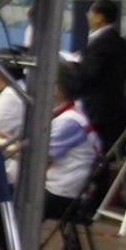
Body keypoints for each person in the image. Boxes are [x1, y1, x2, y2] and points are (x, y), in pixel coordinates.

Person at [40, 65, 103, 221]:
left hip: (62, 195)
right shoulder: (71, 114)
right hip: (63, 189)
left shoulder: (68, 122)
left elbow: (38, 159)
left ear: (56, 89)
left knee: (5, 203)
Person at [74, 0, 126, 151]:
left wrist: (77, 66)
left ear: (99, 17)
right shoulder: (115, 40)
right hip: (107, 108)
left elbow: (91, 73)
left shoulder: (104, 41)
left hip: (99, 111)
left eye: (90, 13)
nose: (88, 16)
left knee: (97, 149)